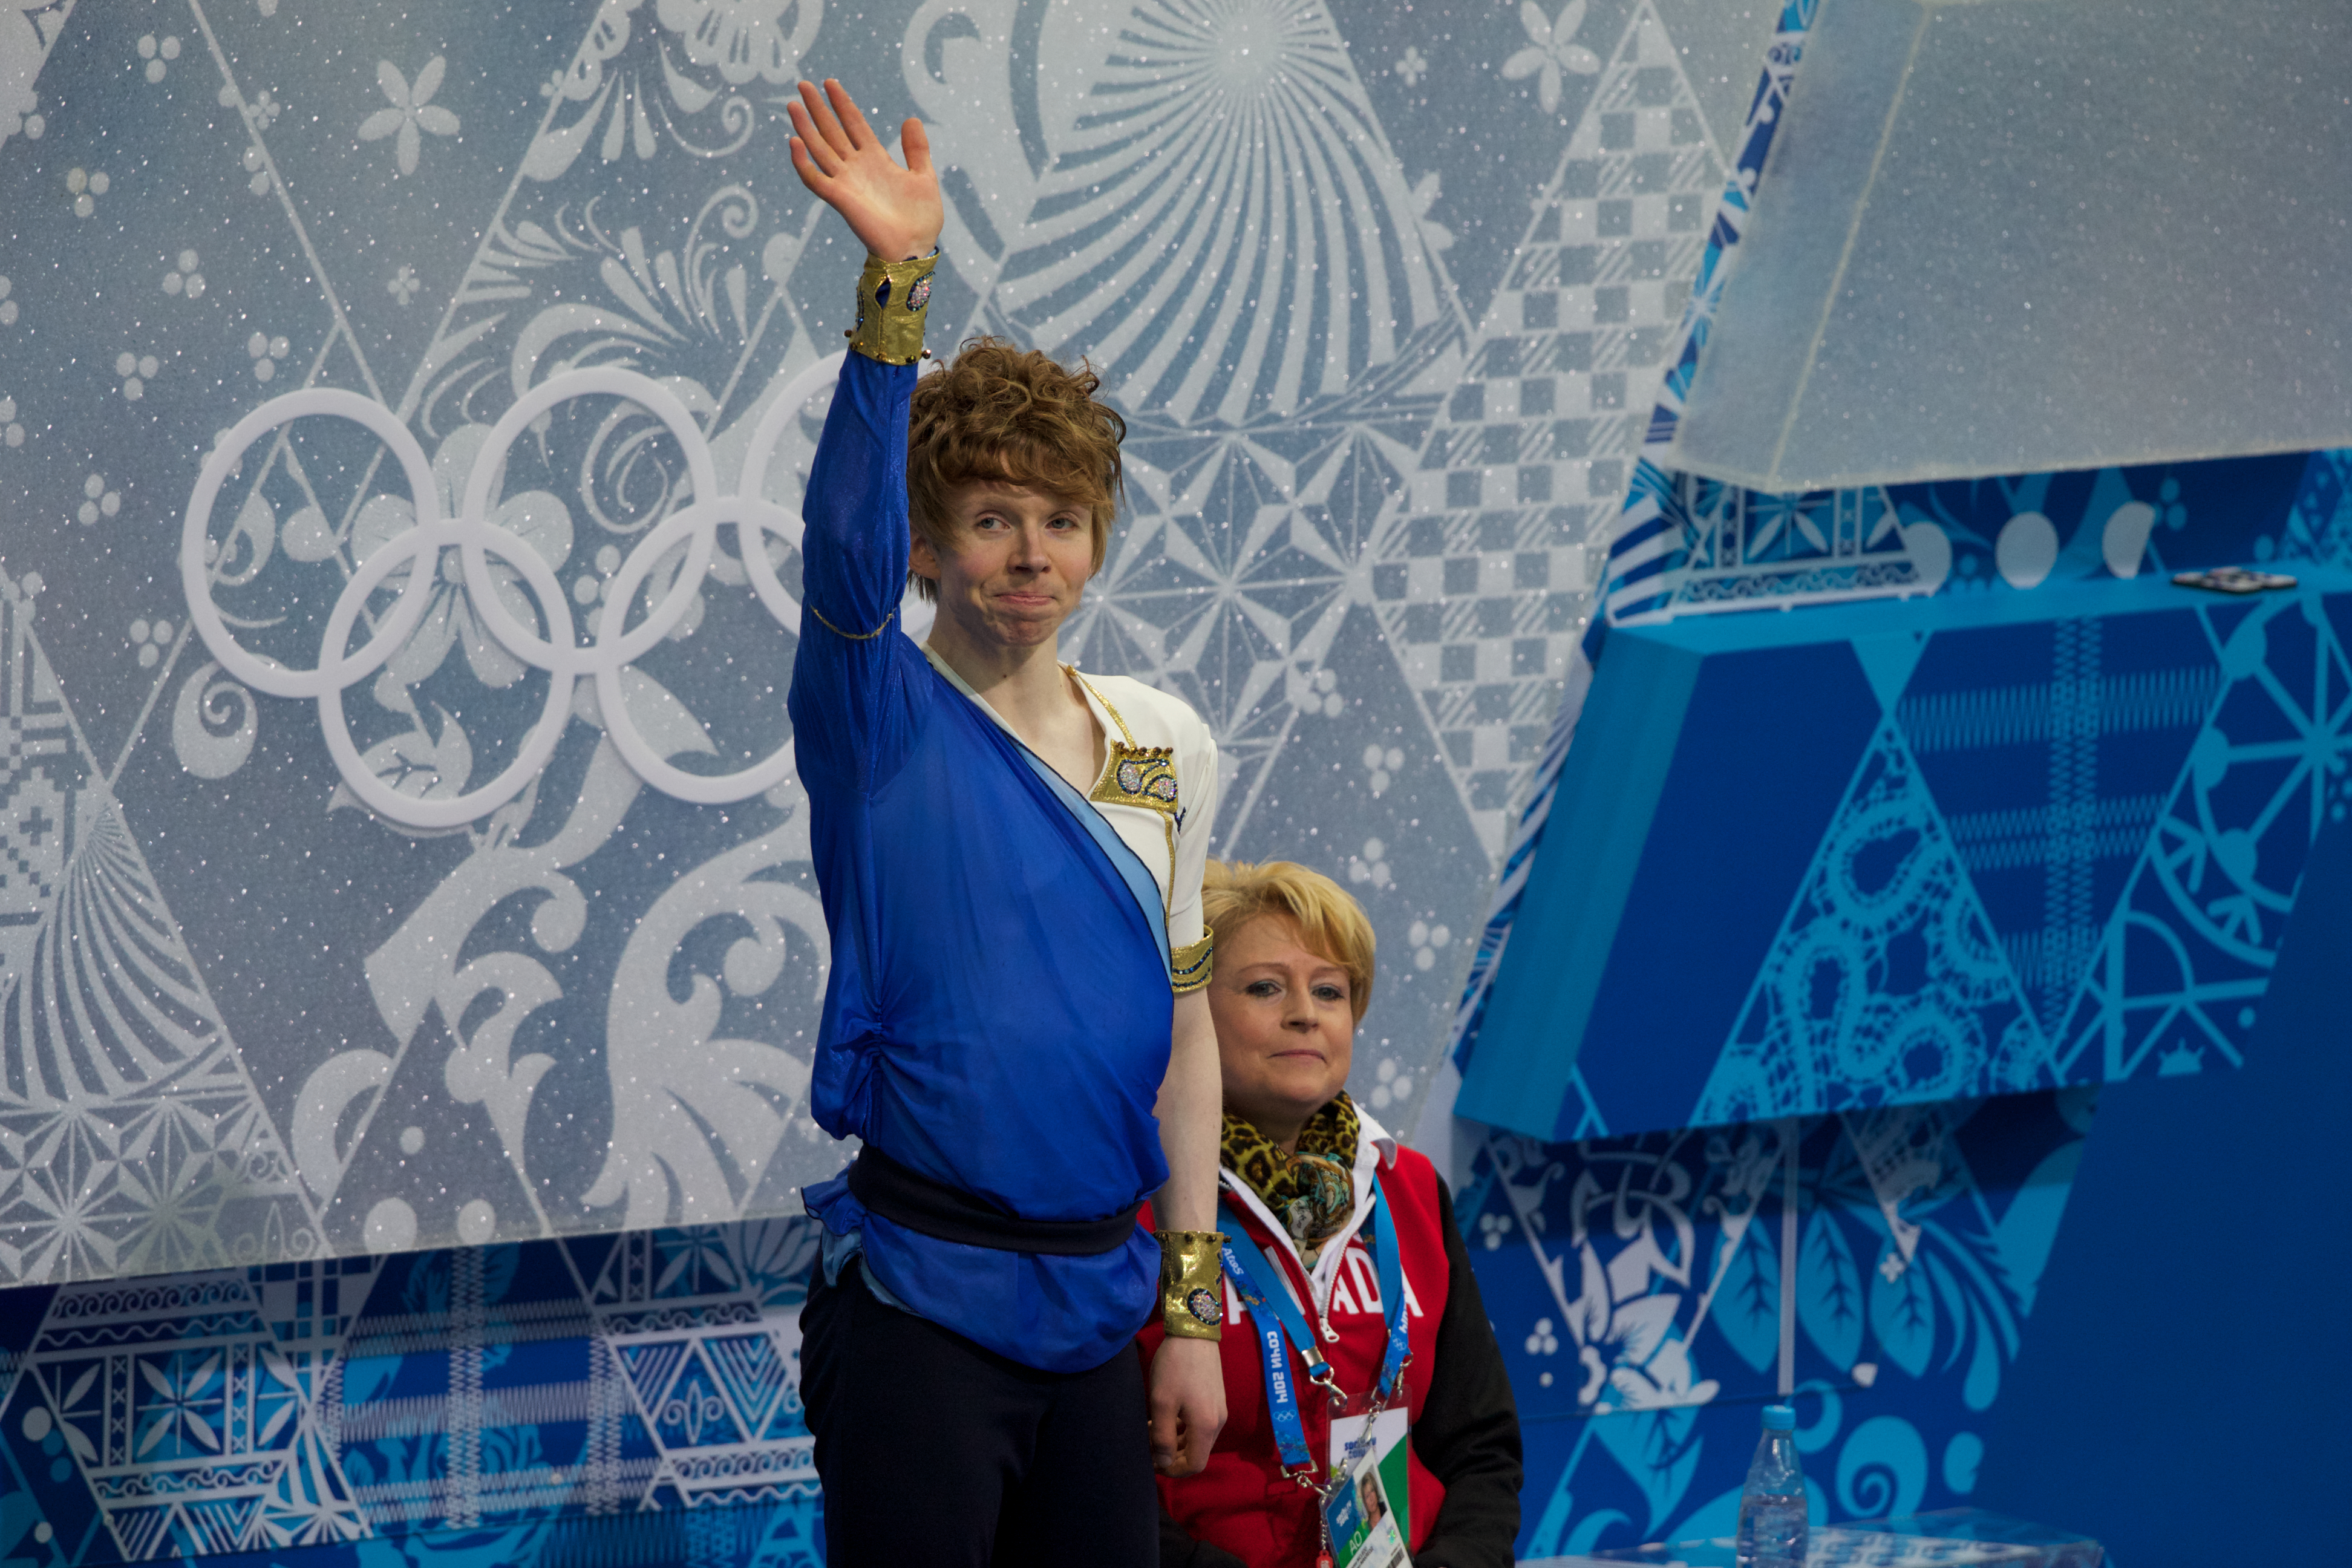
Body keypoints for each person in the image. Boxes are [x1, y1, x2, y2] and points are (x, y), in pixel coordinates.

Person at [782, 79, 1227, 1564]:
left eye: (1061, 517)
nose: (1030, 551)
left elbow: (1187, 1043)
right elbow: (837, 560)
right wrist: (895, 289)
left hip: (1107, 1318)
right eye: (988, 516)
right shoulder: (877, 719)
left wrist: (1189, 1316)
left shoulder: (1165, 742)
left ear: (1098, 538)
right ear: (928, 545)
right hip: (920, 1312)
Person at [1142, 861, 1523, 1568]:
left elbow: (1480, 1447)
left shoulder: (1407, 1189)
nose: (1305, 1013)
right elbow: (1090, 1483)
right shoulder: (1137, 1206)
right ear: (1188, 1013)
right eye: (1265, 987)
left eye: (1329, 991)